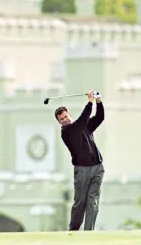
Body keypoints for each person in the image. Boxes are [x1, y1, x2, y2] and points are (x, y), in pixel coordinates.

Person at [54, 91, 105, 231]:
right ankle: (74, 230)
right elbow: (82, 120)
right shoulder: (67, 132)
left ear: (69, 114)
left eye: (65, 116)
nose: (64, 119)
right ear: (59, 122)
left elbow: (99, 117)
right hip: (82, 170)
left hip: (98, 168)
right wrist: (89, 102)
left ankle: (88, 233)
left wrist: (98, 100)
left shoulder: (84, 126)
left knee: (92, 202)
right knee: (80, 203)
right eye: (61, 119)